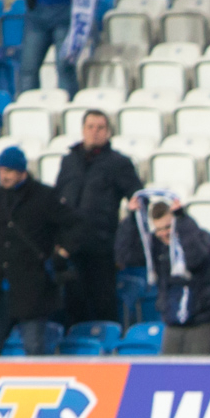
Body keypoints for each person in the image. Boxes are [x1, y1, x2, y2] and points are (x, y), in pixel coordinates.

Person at [0, 146, 81, 355]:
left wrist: (63, 252)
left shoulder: (44, 196)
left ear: (22, 172)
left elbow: (75, 224)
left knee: (33, 348)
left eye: (10, 171)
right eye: (1, 170)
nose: (4, 176)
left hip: (33, 287)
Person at [54, 110, 141, 324]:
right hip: (70, 248)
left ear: (108, 132)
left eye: (100, 128)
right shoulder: (69, 161)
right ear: (83, 130)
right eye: (90, 127)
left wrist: (123, 239)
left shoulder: (118, 163)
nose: (95, 132)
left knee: (104, 306)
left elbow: (138, 199)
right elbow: (56, 199)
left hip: (101, 249)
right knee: (74, 307)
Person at [115, 197, 210, 353]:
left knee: (198, 369)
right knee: (169, 368)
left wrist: (182, 221)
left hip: (203, 323)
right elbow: (124, 256)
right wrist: (132, 219)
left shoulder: (200, 238)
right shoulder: (158, 246)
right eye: (159, 229)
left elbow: (194, 259)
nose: (164, 234)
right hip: (173, 323)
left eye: (168, 227)